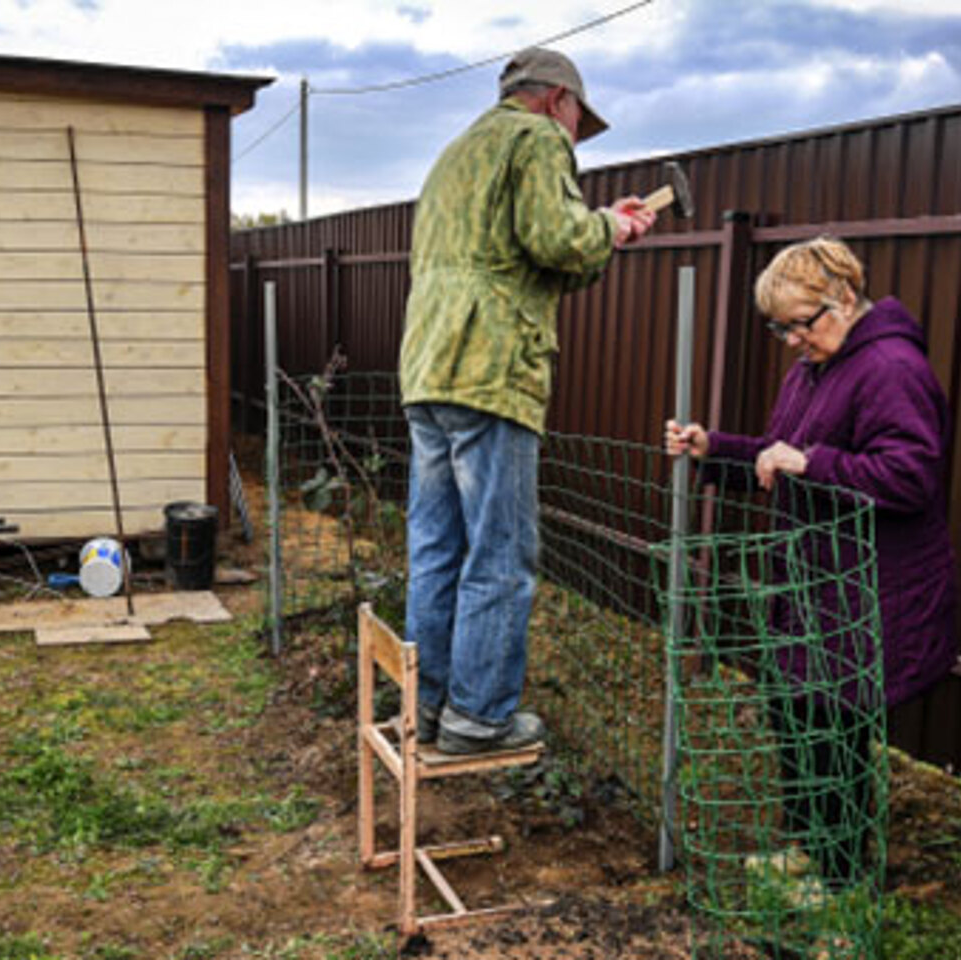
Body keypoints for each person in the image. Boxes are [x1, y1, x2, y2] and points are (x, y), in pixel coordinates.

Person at [665, 236, 958, 888]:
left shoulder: (889, 367)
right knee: (794, 717)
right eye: (781, 328)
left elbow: (910, 476)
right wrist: (715, 449)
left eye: (802, 323)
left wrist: (810, 463)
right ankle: (807, 844)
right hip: (813, 584)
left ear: (845, 299)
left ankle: (843, 878)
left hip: (870, 591)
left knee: (834, 733)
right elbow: (783, 455)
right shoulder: (819, 366)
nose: (793, 339)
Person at [398, 46, 655, 755]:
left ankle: (423, 705)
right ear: (557, 103)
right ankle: (479, 717)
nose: (574, 137)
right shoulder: (537, 138)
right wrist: (610, 227)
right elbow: (557, 237)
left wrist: (601, 230)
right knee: (500, 551)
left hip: (428, 368)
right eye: (578, 122)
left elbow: (534, 259)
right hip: (491, 368)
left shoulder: (457, 153)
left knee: (436, 547)